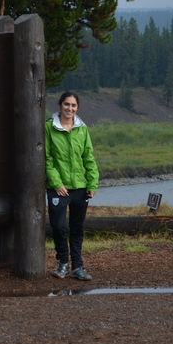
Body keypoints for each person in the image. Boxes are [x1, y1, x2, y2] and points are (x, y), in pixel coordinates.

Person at [45, 91, 99, 281]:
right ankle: (62, 263)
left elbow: (89, 158)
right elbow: (47, 159)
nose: (70, 108)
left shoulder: (82, 129)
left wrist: (92, 183)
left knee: (77, 228)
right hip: (58, 188)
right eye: (67, 104)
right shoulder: (49, 128)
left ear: (77, 108)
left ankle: (77, 267)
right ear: (60, 105)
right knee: (59, 226)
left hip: (80, 188)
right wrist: (56, 183)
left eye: (73, 106)